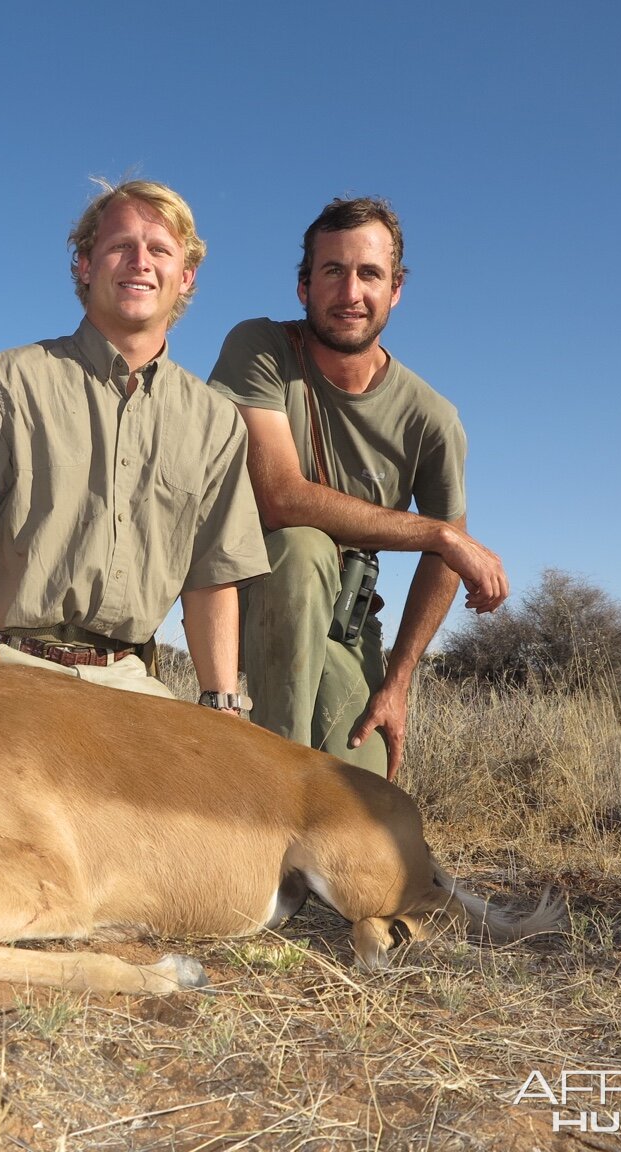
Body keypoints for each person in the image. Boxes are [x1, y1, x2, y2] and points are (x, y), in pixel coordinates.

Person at [0, 180, 267, 710]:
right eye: (121, 245)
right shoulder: (7, 380)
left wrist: (222, 703)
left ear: (185, 276)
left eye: (160, 250)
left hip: (128, 680)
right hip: (1, 661)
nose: (140, 262)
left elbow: (212, 577)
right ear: (84, 264)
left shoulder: (216, 422)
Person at [208, 197, 508, 777]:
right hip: (249, 602)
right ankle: (274, 791)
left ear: (395, 289)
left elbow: (442, 563)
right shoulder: (260, 348)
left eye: (369, 274)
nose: (351, 293)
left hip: (345, 623)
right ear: (303, 287)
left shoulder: (432, 418)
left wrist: (396, 683)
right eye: (332, 271)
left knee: (366, 793)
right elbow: (280, 496)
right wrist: (439, 533)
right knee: (301, 546)